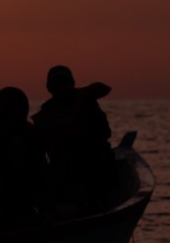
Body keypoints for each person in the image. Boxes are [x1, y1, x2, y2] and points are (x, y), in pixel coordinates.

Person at [32, 65, 113, 210]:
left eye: (64, 82)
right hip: (64, 169)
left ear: (71, 84)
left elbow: (104, 132)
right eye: (57, 83)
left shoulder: (87, 102)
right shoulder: (45, 114)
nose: (61, 86)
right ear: (50, 87)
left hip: (93, 166)